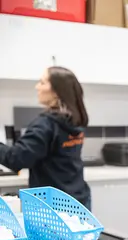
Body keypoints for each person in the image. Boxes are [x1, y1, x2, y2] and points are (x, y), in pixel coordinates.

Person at [0, 66, 92, 210]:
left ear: (56, 92)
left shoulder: (46, 125)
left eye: (42, 83)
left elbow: (16, 159)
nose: (37, 87)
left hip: (53, 208)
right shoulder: (75, 120)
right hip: (78, 200)